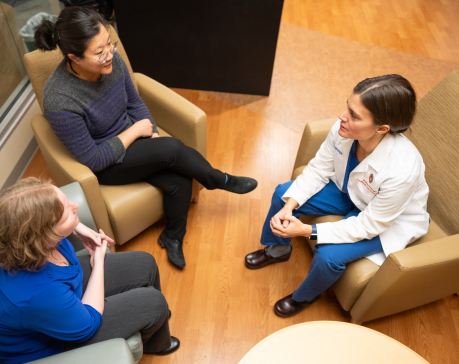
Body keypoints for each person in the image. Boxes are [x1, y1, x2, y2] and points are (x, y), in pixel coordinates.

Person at [33, 7, 257, 269]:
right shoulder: (59, 98)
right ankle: (219, 179)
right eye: (99, 52)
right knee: (173, 149)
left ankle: (173, 236)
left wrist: (151, 132)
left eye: (110, 44)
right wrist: (137, 132)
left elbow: (134, 102)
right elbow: (92, 159)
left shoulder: (112, 61)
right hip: (107, 163)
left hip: (135, 141)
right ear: (74, 57)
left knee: (177, 178)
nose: (109, 55)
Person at [245, 74, 430, 317]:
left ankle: (304, 297)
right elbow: (319, 168)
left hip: (388, 221)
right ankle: (278, 250)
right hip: (353, 193)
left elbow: (371, 224)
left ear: (382, 128)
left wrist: (306, 231)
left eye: (354, 115)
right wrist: (289, 206)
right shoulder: (343, 129)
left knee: (329, 256)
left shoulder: (403, 169)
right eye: (347, 107)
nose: (342, 117)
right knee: (283, 194)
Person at [0, 178, 178, 364]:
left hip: (51, 301)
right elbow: (87, 323)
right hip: (51, 344)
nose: (76, 205)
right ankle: (156, 341)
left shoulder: (9, 235)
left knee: (144, 263)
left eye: (67, 202)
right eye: (67, 213)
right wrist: (98, 263)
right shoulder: (34, 294)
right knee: (154, 303)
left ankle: (156, 331)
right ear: (44, 237)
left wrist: (76, 226)